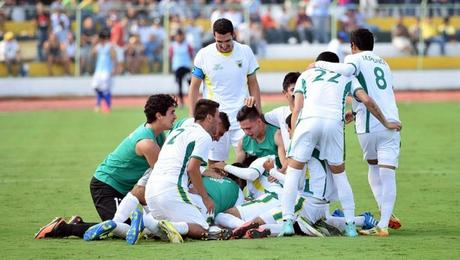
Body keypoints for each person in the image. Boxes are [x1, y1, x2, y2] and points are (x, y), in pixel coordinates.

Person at [280, 51, 401, 238]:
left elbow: (297, 109)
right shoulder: (347, 77)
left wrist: (293, 142)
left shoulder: (306, 74)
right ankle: (351, 225)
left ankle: (287, 222)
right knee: (340, 175)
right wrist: (385, 122)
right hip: (333, 124)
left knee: (293, 173)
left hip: (308, 122)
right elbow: (367, 100)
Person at [34, 94, 178, 240]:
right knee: (121, 229)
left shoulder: (156, 134)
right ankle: (62, 228)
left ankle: (78, 223)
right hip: (106, 187)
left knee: (137, 227)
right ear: (159, 115)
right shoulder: (147, 143)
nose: (175, 116)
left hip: (122, 190)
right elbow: (162, 174)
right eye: (172, 112)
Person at [311, 28, 403, 236]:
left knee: (373, 166)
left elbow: (346, 71)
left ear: (353, 45)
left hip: (369, 126)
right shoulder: (384, 63)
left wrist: (319, 64)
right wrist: (357, 111)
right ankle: (384, 221)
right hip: (392, 121)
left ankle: (384, 213)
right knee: (388, 173)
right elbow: (382, 91)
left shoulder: (355, 58)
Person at [145, 99, 232, 240]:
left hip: (151, 191)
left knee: (163, 233)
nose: (218, 120)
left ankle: (142, 224)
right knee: (203, 228)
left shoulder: (177, 131)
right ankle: (156, 223)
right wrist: (205, 198)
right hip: (171, 190)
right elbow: (192, 168)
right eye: (216, 117)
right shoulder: (204, 136)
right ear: (209, 118)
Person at [188, 18, 262, 164]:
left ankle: (239, 187)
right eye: (219, 41)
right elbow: (194, 87)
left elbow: (253, 83)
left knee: (248, 161)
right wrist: (192, 117)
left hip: (242, 117)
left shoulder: (245, 51)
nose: (223, 45)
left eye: (227, 41)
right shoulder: (203, 55)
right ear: (214, 36)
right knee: (215, 164)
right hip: (216, 120)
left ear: (233, 34)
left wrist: (258, 112)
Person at [235, 105, 287, 170]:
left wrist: (277, 173)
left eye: (249, 128)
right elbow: (236, 168)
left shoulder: (277, 136)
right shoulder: (243, 142)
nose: (246, 132)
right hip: (255, 179)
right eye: (243, 129)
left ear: (259, 122)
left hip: (276, 177)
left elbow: (285, 167)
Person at [92, 29, 116, 113]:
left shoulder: (110, 46)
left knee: (105, 88)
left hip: (106, 70)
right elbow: (93, 55)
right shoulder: (98, 46)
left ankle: (104, 105)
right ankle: (106, 103)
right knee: (95, 87)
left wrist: (113, 69)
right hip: (98, 69)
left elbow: (113, 57)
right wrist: (94, 44)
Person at [169, 29, 194, 107]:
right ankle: (181, 102)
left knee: (190, 85)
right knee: (179, 86)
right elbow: (171, 56)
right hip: (177, 67)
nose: (179, 37)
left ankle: (192, 101)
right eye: (178, 36)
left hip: (186, 67)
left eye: (181, 35)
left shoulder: (188, 45)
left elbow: (191, 55)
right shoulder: (173, 45)